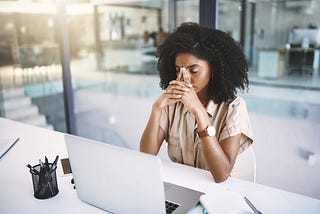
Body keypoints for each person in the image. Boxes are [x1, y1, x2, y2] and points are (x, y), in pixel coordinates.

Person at [140, 22, 253, 183]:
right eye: (178, 69)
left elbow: (221, 175)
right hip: (181, 185)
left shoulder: (234, 107)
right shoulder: (171, 103)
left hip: (217, 193)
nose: (184, 78)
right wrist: (156, 108)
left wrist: (199, 112)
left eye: (193, 71)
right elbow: (146, 156)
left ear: (213, 69)